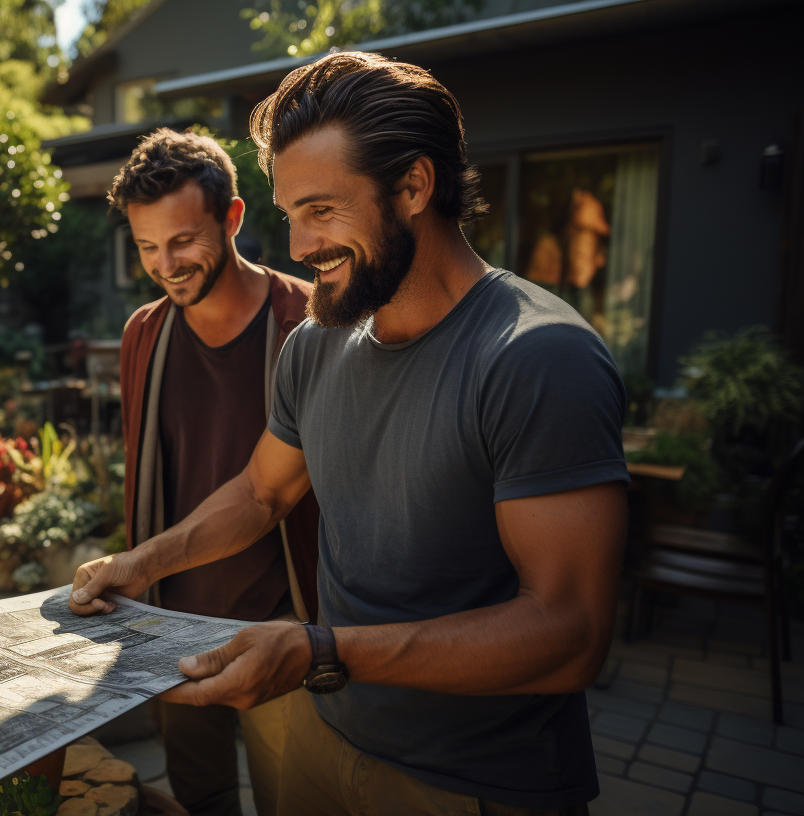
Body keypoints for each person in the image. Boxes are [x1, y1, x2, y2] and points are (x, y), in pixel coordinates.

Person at [72, 53, 628, 816]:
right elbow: (261, 493)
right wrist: (140, 563)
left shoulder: (538, 357)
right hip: (327, 734)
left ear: (414, 186)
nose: (299, 247)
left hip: (474, 780)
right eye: (289, 215)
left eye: (322, 211)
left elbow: (572, 632)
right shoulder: (315, 343)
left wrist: (322, 650)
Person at [108, 128, 321, 816]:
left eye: (182, 241)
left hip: (283, 627)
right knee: (200, 801)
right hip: (170, 631)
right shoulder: (143, 334)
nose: (165, 265)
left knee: (295, 802)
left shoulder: (309, 323)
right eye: (147, 246)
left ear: (232, 218)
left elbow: (279, 491)